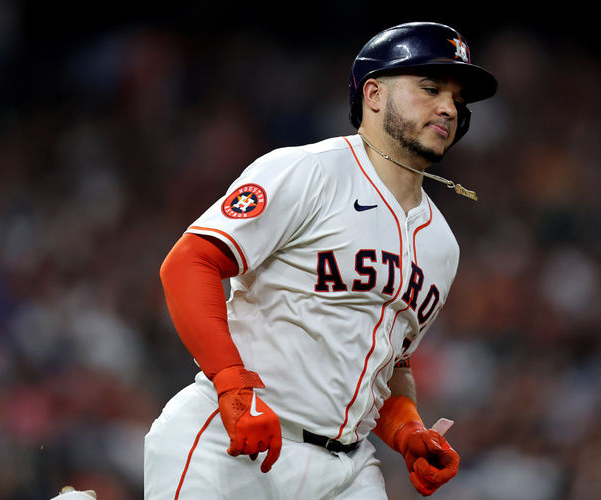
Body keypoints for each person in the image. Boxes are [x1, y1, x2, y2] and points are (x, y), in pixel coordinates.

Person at [144, 21, 497, 499]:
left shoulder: (443, 245)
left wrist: (406, 430)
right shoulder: (310, 170)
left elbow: (391, 363)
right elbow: (189, 263)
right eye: (431, 88)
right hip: (232, 442)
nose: (448, 107)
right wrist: (231, 385)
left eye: (458, 99)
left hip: (348, 471)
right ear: (374, 94)